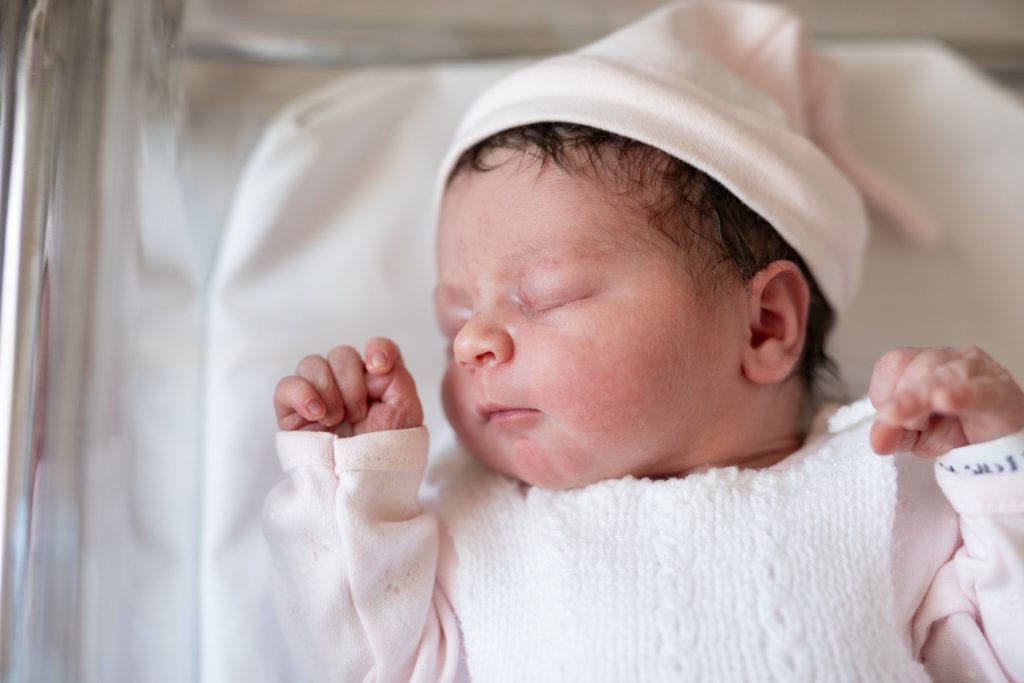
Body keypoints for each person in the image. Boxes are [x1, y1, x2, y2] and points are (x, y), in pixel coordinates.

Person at [263, 2, 1024, 681]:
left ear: (765, 325)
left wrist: (998, 468)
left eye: (544, 295)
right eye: (454, 320)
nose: (471, 346)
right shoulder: (467, 524)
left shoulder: (885, 487)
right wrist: (351, 483)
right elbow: (361, 661)